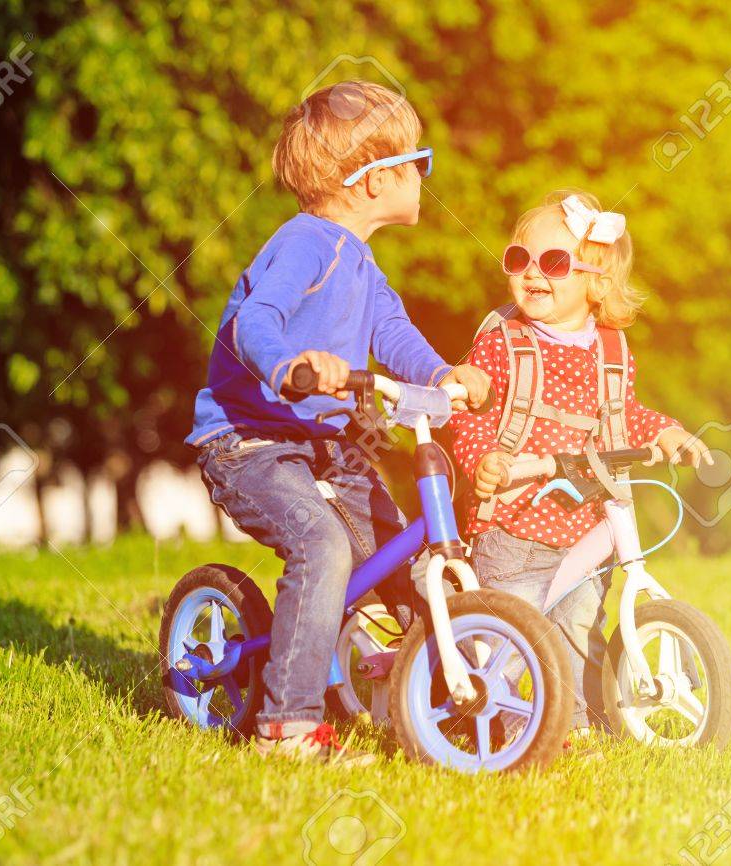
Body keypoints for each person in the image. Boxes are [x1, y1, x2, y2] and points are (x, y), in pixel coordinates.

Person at [187, 80, 490, 765]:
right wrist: (291, 366)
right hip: (250, 441)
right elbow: (252, 323)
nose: (422, 174)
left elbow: (393, 333)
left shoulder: (361, 261)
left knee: (404, 556)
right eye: (419, 161)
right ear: (373, 180)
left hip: (326, 444)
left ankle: (448, 694)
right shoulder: (304, 245)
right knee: (323, 546)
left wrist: (443, 375)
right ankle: (286, 726)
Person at [451, 190, 709, 737]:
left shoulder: (611, 349)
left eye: (553, 263)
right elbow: (468, 411)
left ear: (597, 281)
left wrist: (665, 431)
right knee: (507, 639)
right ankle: (478, 714)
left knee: (577, 626)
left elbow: (623, 414)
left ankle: (578, 726)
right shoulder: (503, 342)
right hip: (513, 524)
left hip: (585, 524)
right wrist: (483, 460)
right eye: (519, 260)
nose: (532, 274)